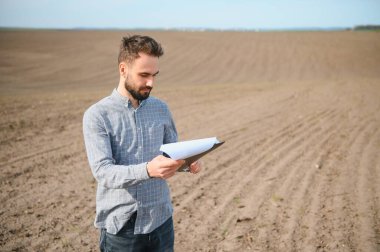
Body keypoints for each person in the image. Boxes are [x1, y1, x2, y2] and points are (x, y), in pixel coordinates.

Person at [83, 35, 201, 252]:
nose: (151, 83)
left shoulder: (161, 109)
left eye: (155, 75)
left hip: (161, 222)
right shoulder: (98, 115)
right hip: (122, 229)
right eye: (144, 75)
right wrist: (147, 170)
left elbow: (169, 154)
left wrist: (186, 163)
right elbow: (103, 172)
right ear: (123, 69)